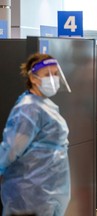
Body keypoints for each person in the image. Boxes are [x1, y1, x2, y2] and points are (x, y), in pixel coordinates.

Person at [0, 53, 72, 215]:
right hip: (31, 188)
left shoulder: (45, 104)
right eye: (47, 75)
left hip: (49, 185)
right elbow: (11, 149)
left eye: (55, 74)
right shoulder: (28, 108)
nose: (53, 79)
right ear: (33, 78)